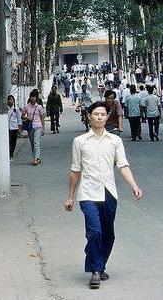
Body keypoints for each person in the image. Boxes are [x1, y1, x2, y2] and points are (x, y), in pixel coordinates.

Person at [63, 101, 143, 289]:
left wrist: (134, 186)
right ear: (89, 116)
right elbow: (75, 170)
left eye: (103, 114)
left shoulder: (115, 141)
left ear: (107, 117)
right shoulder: (80, 141)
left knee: (108, 234)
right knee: (95, 231)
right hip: (88, 193)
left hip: (109, 193)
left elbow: (122, 165)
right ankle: (96, 271)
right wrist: (70, 196)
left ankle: (97, 260)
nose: (99, 117)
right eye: (96, 114)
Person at [23, 91, 46, 166]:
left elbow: (42, 118)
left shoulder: (39, 107)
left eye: (34, 97)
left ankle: (36, 158)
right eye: (32, 96)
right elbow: (22, 116)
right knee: (32, 143)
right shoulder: (26, 107)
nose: (33, 98)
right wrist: (27, 117)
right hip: (30, 127)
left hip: (38, 126)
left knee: (36, 142)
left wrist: (43, 128)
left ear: (36, 98)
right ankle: (36, 157)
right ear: (30, 97)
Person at [7, 95, 21, 162]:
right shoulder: (5, 109)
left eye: (12, 99)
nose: (10, 101)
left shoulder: (16, 109)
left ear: (14, 101)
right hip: (7, 128)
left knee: (13, 142)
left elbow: (19, 118)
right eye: (9, 99)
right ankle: (7, 154)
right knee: (8, 142)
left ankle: (11, 155)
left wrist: (19, 128)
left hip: (14, 127)